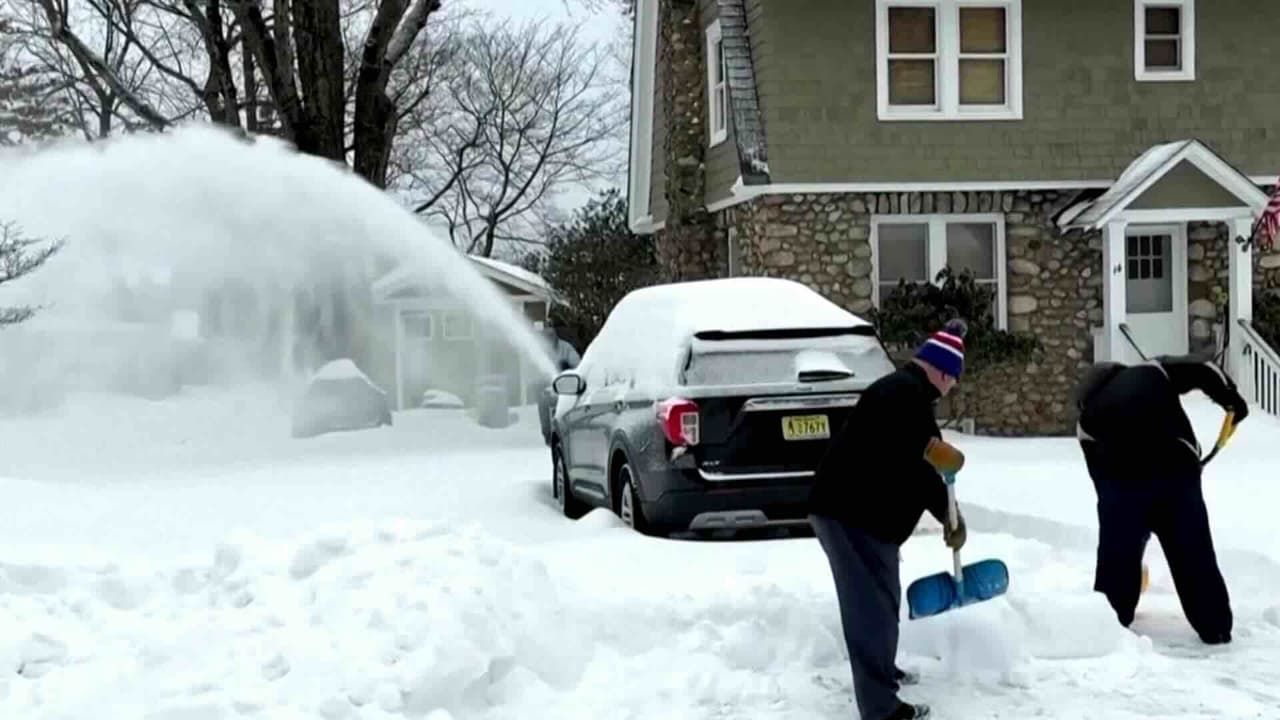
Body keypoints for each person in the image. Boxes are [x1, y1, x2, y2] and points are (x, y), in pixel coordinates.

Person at [808, 319, 970, 720]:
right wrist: (949, 515)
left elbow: (920, 461)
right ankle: (881, 708)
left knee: (882, 598)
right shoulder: (905, 396)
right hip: (851, 514)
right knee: (869, 607)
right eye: (953, 378)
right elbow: (919, 463)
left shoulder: (905, 394)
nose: (952, 387)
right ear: (942, 371)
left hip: (862, 515)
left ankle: (882, 671)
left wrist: (949, 513)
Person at [1074, 356, 1248, 645]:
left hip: (1121, 481)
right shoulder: (1151, 370)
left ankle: (1112, 620)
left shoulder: (1086, 421)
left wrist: (1133, 524)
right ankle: (1215, 626)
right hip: (1176, 467)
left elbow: (1103, 487)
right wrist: (1230, 398)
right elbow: (1203, 370)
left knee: (1117, 552)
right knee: (1193, 551)